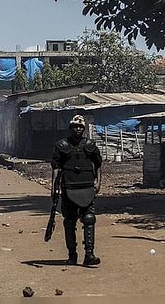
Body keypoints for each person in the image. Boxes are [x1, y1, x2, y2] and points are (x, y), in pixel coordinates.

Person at [51, 114, 102, 266]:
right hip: (69, 188)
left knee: (89, 219)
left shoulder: (90, 145)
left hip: (86, 187)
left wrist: (98, 182)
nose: (78, 129)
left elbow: (98, 164)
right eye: (75, 126)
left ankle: (89, 255)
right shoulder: (62, 145)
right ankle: (72, 255)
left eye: (80, 126)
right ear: (70, 128)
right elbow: (56, 167)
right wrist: (54, 187)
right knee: (69, 221)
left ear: (84, 129)